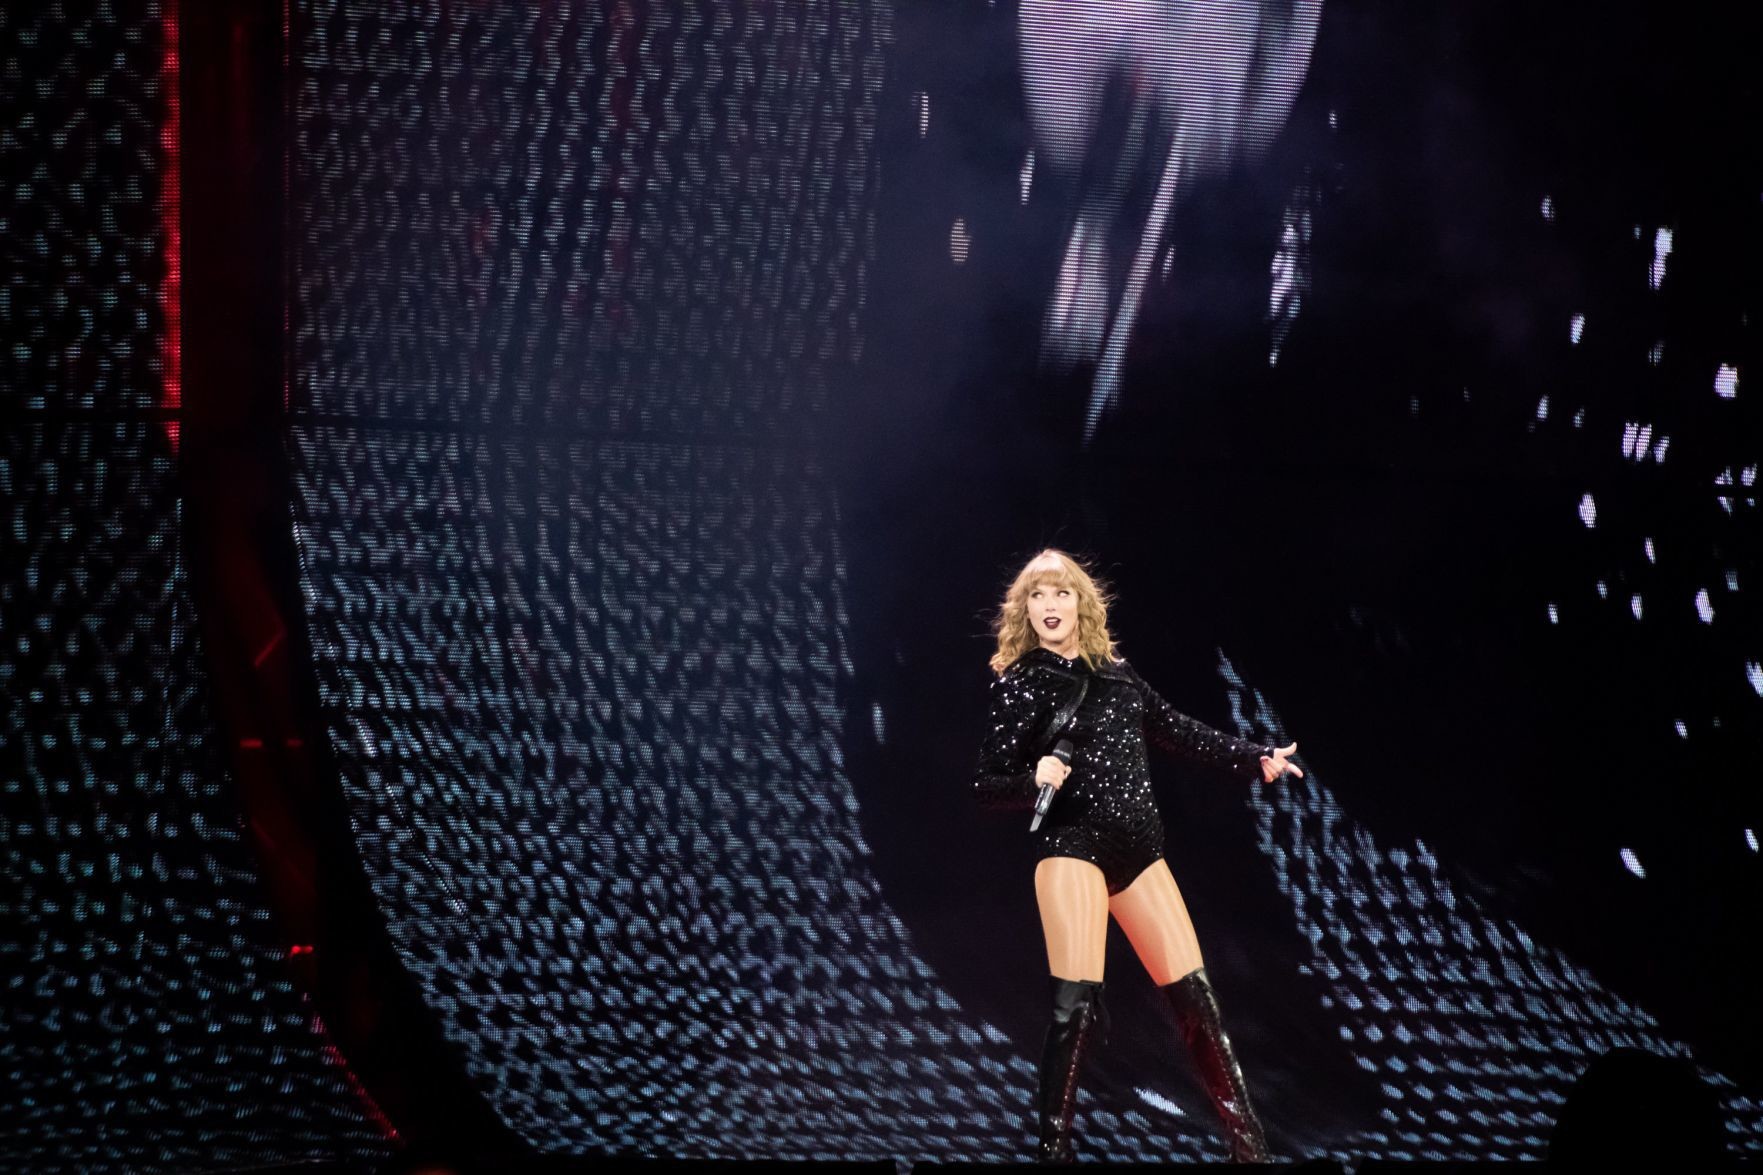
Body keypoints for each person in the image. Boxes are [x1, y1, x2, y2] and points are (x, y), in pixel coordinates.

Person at [972, 549, 1301, 1163]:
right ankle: (1054, 1152)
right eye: (1038, 596)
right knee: (1077, 1008)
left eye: (1061, 593)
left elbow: (1175, 727)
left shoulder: (1118, 673)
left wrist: (1253, 756)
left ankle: (1250, 1150)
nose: (1050, 605)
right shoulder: (1021, 682)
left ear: (1081, 603)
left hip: (1139, 851)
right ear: (1024, 610)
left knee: (1197, 1002)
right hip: (1073, 846)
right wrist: (1032, 777)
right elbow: (986, 784)